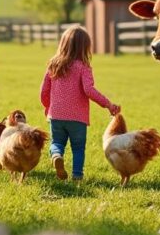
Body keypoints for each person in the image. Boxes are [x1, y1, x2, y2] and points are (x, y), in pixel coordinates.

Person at [40, 25, 121, 181]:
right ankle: (77, 176)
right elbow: (89, 90)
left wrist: (47, 107)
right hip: (77, 118)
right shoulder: (83, 67)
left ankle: (56, 155)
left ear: (63, 43)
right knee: (78, 148)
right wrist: (108, 104)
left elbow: (44, 91)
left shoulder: (53, 65)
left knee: (57, 142)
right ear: (85, 47)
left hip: (56, 115)